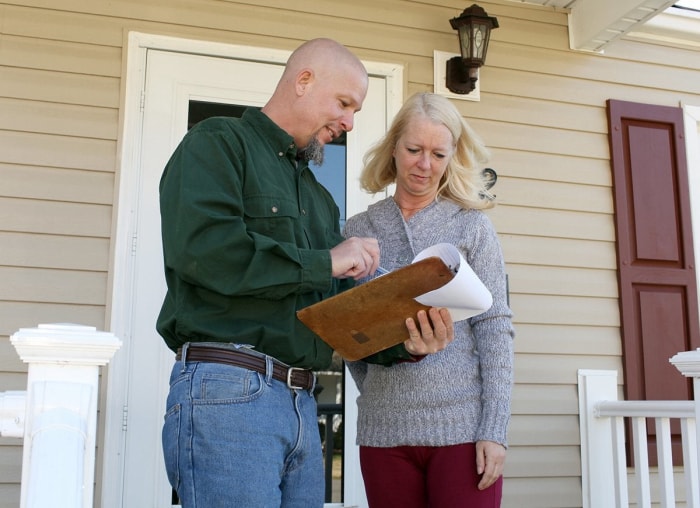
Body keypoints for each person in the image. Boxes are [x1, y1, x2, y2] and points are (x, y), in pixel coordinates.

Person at [156, 39, 454, 508]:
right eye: (344, 103)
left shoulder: (319, 199)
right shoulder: (218, 144)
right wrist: (327, 260)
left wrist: (407, 341)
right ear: (303, 81)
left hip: (299, 403)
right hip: (228, 389)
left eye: (356, 111)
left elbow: (332, 312)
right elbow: (206, 253)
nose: (349, 122)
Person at [343, 92, 515, 508]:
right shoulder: (359, 229)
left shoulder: (472, 227)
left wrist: (493, 429)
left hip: (463, 430)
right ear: (394, 148)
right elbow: (349, 334)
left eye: (438, 154)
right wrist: (375, 392)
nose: (424, 164)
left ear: (452, 156)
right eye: (414, 150)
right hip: (385, 432)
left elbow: (495, 328)